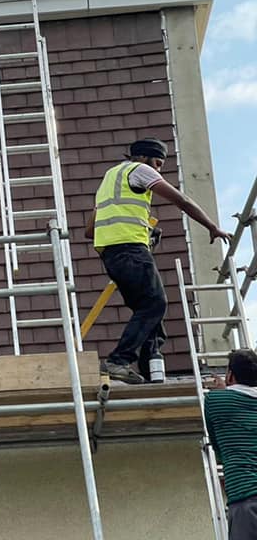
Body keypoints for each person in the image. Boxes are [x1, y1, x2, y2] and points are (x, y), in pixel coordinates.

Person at [84, 137, 231, 384]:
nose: (158, 170)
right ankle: (118, 361)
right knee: (155, 304)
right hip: (131, 250)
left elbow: (90, 231)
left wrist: (141, 229)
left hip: (111, 256)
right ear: (144, 157)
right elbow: (181, 200)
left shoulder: (110, 179)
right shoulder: (139, 170)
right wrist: (212, 226)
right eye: (158, 163)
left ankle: (149, 368)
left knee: (147, 311)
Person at [205, 349, 257, 539]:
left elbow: (217, 445)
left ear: (230, 375)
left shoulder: (215, 401)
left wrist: (223, 390)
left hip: (245, 500)